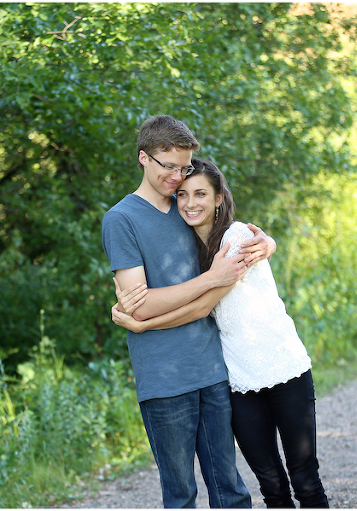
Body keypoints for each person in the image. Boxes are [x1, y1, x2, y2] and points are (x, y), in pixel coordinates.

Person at [112, 157, 329, 508]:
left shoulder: (238, 238)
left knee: (305, 478)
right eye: (182, 195)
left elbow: (200, 307)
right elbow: (182, 297)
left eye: (200, 194)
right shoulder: (192, 254)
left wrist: (142, 323)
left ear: (218, 198)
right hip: (240, 381)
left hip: (285, 368)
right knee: (271, 484)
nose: (190, 202)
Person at [101, 115, 276, 508]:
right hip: (163, 378)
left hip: (212, 369)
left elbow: (237, 235)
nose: (177, 177)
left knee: (228, 489)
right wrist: (210, 279)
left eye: (183, 168)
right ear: (143, 158)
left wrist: (268, 244)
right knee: (180, 494)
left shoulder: (188, 209)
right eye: (169, 166)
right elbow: (140, 305)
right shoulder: (121, 219)